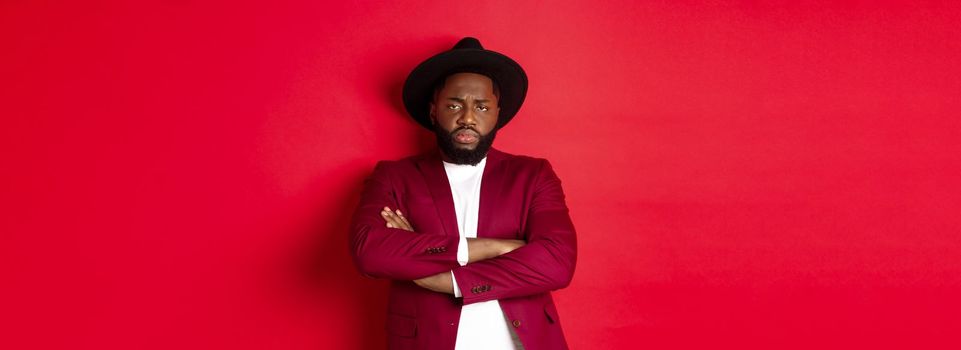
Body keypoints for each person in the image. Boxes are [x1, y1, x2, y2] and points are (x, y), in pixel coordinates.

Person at [349, 37, 577, 350]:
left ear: (497, 113)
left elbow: (557, 263)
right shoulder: (394, 176)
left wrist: (446, 280)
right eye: (454, 105)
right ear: (433, 111)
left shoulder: (533, 174)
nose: (467, 118)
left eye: (481, 107)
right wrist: (492, 248)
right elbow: (370, 251)